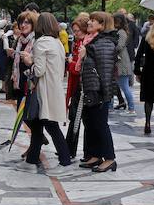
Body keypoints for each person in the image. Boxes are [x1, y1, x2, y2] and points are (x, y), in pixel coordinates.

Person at [19, 13, 71, 175]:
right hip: (54, 87)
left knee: (48, 125)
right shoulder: (57, 42)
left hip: (44, 90)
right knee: (40, 126)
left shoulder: (41, 42)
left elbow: (39, 70)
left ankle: (65, 159)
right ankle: (33, 159)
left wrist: (29, 62)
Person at [79, 12, 118, 171]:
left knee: (100, 124)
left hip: (99, 91)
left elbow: (105, 71)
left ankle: (110, 158)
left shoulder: (104, 43)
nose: (89, 22)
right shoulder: (94, 40)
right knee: (91, 124)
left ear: (102, 25)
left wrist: (105, 95)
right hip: (91, 88)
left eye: (93, 20)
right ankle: (95, 155)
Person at [11, 11, 39, 109]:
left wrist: (30, 61)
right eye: (21, 23)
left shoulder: (37, 40)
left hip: (32, 86)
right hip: (20, 84)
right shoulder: (19, 40)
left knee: (31, 119)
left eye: (27, 22)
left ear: (33, 24)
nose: (23, 25)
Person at [113, 13, 136, 115]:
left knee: (125, 87)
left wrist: (111, 48)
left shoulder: (121, 32)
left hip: (121, 63)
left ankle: (131, 108)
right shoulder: (121, 31)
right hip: (121, 62)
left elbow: (120, 46)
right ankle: (131, 108)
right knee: (124, 86)